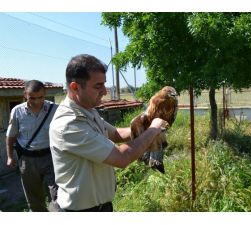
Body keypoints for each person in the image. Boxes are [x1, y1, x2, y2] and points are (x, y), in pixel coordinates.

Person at [49, 54, 168, 212]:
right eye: (98, 86)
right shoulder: (69, 124)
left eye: (104, 84)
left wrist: (145, 126)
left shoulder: (88, 111)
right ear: (75, 87)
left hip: (101, 207)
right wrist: (153, 130)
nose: (105, 91)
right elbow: (122, 157)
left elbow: (117, 133)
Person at [6, 80, 60, 212]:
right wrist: (10, 156)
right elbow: (11, 135)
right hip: (28, 160)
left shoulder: (55, 109)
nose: (36, 101)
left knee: (58, 197)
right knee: (34, 200)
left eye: (40, 97)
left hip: (51, 158)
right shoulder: (17, 111)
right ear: (25, 94)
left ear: (45, 94)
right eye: (32, 98)